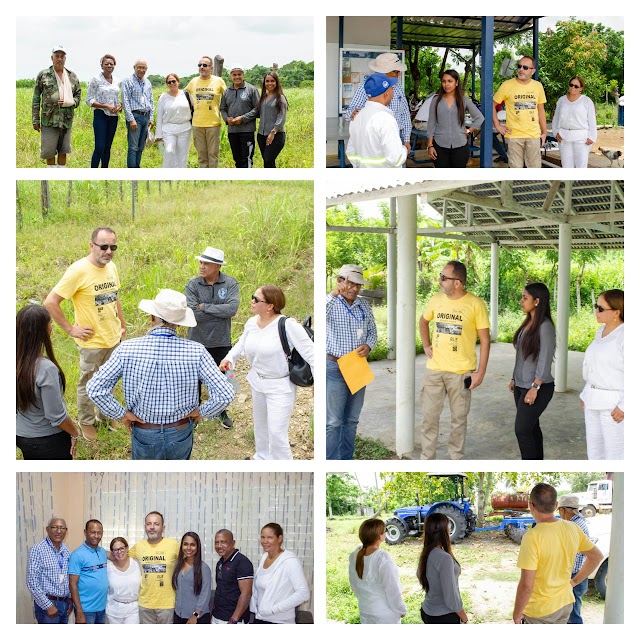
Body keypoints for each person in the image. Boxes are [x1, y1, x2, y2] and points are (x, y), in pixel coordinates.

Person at [86, 289, 235, 460]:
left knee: (146, 482)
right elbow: (225, 393)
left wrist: (122, 414)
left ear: (152, 318)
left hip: (144, 431)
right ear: (179, 323)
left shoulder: (126, 349)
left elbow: (95, 389)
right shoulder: (197, 351)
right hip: (180, 429)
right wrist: (201, 412)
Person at [44, 227, 126, 441]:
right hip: (92, 343)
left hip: (113, 338)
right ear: (92, 245)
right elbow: (51, 302)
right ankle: (86, 421)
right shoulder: (77, 271)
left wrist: (122, 326)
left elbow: (114, 298)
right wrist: (71, 329)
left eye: (113, 247)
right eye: (104, 246)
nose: (108, 251)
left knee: (109, 380)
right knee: (89, 383)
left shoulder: (112, 267)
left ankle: (105, 416)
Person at [220, 285, 314, 460]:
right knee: (261, 427)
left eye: (256, 299)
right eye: (252, 297)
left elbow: (311, 354)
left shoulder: (288, 326)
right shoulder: (251, 322)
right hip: (257, 382)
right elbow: (241, 345)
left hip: (280, 387)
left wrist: (319, 383)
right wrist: (229, 358)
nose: (252, 301)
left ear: (270, 305)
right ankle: (262, 458)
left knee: (277, 433)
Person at [419, 261, 490, 460]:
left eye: (443, 277)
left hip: (461, 373)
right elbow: (423, 321)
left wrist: (480, 372)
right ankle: (427, 460)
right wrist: (426, 344)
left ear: (457, 282)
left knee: (458, 420)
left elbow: (485, 341)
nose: (439, 280)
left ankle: (455, 459)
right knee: (429, 419)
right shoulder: (436, 299)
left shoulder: (476, 304)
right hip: (434, 371)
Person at [513, 483, 603, 624]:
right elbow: (596, 556)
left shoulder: (532, 537)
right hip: (565, 604)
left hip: (540, 611)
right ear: (556, 505)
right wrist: (574, 582)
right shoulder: (572, 528)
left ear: (531, 506)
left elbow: (526, 585)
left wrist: (517, 613)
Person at [326, 265, 377, 460]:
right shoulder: (330, 302)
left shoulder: (364, 305)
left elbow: (372, 331)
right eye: (350, 284)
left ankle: (346, 458)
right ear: (340, 281)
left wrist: (369, 345)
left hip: (357, 366)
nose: (355, 289)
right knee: (333, 421)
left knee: (352, 420)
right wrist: (334, 293)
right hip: (334, 367)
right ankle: (330, 460)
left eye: (358, 285)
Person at [185, 247, 239, 429]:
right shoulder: (192, 285)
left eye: (206, 263)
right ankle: (194, 413)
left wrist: (204, 307)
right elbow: (192, 314)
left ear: (217, 266)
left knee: (222, 377)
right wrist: (218, 311)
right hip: (196, 341)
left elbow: (232, 310)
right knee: (193, 380)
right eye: (200, 262)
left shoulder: (230, 283)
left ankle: (221, 410)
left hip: (221, 341)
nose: (201, 266)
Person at [16, 305, 80, 459]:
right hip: (48, 441)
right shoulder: (46, 369)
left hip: (21, 435)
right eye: (50, 323)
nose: (52, 328)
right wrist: (75, 433)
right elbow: (56, 416)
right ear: (42, 331)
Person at [509, 283, 556, 460]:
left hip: (538, 387)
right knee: (531, 427)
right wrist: (514, 378)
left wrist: (535, 387)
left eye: (525, 298)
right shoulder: (528, 323)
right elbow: (522, 357)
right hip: (521, 386)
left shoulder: (545, 327)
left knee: (521, 430)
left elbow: (544, 360)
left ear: (537, 301)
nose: (521, 301)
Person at [580, 289, 624, 459]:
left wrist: (625, 405)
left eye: (600, 308)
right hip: (592, 402)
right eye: (595, 306)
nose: (596, 311)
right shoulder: (601, 332)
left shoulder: (625, 336)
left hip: (614, 406)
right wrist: (585, 394)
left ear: (616, 312)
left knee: (615, 456)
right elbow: (593, 368)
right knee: (595, 454)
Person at [344, 52, 411, 153]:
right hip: (373, 139)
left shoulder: (398, 87)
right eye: (396, 72)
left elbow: (405, 113)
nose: (399, 74)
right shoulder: (366, 87)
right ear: (384, 72)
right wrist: (353, 113)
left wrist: (406, 139)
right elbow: (350, 111)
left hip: (397, 137)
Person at [348, 518, 406, 624]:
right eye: (385, 530)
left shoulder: (354, 555)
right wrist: (401, 609)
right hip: (384, 614)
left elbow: (354, 584)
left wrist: (365, 600)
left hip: (365, 609)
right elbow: (392, 588)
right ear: (380, 536)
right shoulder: (382, 558)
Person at [493, 56, 547, 168]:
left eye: (525, 67)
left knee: (534, 170)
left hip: (533, 135)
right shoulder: (507, 85)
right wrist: (498, 125)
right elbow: (491, 105)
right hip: (514, 136)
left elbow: (541, 110)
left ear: (533, 71)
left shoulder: (538, 86)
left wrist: (544, 132)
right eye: (519, 66)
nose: (521, 69)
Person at [250, 523, 310, 624]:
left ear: (279, 538)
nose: (265, 541)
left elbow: (303, 594)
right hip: (260, 618)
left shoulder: (290, 561)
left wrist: (273, 610)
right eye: (263, 537)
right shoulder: (265, 557)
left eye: (270, 537)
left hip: (280, 621)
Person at [32, 45, 81, 167]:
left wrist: (71, 102)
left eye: (62, 56)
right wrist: (35, 119)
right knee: (49, 152)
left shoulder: (72, 77)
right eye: (57, 56)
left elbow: (78, 96)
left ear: (65, 59)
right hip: (48, 120)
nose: (59, 59)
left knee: (63, 151)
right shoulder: (43, 75)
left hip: (66, 120)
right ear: (52, 58)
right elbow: (36, 98)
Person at [346, 73, 408, 168]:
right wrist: (404, 149)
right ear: (386, 93)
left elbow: (350, 151)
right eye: (392, 88)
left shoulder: (357, 117)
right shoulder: (385, 119)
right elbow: (396, 159)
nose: (393, 92)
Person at [128, 512, 180, 624]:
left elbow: (189, 561)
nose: (152, 527)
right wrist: (101, 553)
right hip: (145, 604)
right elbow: (120, 556)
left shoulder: (174, 545)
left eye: (156, 524)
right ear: (145, 527)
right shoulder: (139, 546)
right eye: (148, 524)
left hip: (166, 604)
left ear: (163, 527)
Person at [426, 69, 484, 168]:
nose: (446, 84)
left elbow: (480, 118)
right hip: (439, 146)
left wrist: (469, 131)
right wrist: (430, 145)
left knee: (457, 179)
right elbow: (431, 124)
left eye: (450, 81)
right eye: (444, 81)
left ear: (456, 83)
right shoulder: (436, 100)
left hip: (460, 147)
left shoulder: (463, 100)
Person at [417, 513, 468, 624]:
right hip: (443, 616)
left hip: (428, 611)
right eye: (448, 525)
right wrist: (463, 616)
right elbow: (451, 596)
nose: (450, 528)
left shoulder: (426, 553)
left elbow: (421, 577)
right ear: (443, 530)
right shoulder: (444, 558)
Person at [26, 517, 73, 624]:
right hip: (48, 604)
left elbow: (67, 577)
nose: (59, 531)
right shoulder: (37, 549)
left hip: (64, 603)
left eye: (62, 528)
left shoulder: (65, 550)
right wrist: (48, 606)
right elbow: (32, 582)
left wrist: (70, 599)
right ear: (47, 529)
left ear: (66, 531)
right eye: (55, 527)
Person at [185, 55, 226, 167]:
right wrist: (165, 96)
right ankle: (204, 179)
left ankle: (213, 180)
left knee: (213, 154)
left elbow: (228, 98)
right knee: (202, 155)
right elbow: (182, 95)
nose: (202, 67)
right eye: (200, 65)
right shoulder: (193, 81)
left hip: (213, 124)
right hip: (197, 124)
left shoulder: (219, 81)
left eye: (205, 65)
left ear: (211, 68)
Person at [557, 495, 591, 624]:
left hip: (574, 576)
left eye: (559, 510)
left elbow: (572, 556)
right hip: (580, 575)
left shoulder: (573, 526)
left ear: (564, 510)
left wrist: (572, 581)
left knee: (573, 616)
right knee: (572, 611)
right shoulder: (579, 522)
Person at [551, 76, 597, 168]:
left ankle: (580, 182)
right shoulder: (562, 100)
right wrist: (555, 132)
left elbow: (592, 120)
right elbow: (556, 118)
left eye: (576, 86)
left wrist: (592, 137)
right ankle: (568, 183)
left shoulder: (586, 101)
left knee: (581, 166)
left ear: (581, 88)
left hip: (581, 137)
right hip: (564, 136)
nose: (573, 87)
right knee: (566, 166)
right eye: (571, 85)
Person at [69, 519, 108, 624]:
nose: (96, 536)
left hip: (102, 608)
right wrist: (79, 610)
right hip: (86, 610)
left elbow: (118, 555)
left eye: (99, 533)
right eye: (93, 532)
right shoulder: (77, 555)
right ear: (85, 532)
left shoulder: (103, 552)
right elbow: (72, 584)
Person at [86, 54, 122, 168]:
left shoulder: (116, 80)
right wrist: (106, 106)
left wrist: (119, 105)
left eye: (111, 64)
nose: (109, 65)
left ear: (114, 66)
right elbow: (89, 100)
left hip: (114, 116)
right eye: (106, 64)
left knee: (107, 146)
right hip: (100, 114)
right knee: (100, 146)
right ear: (102, 65)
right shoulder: (96, 79)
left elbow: (117, 98)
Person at [212, 529, 254, 624]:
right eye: (216, 542)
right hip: (217, 617)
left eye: (223, 542)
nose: (219, 546)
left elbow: (246, 594)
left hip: (234, 620)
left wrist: (234, 619)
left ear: (233, 543)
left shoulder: (242, 562)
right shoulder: (220, 562)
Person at [220, 65, 259, 168]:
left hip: (247, 131)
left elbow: (257, 109)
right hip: (232, 131)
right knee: (237, 158)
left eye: (239, 74)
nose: (237, 77)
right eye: (234, 75)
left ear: (243, 75)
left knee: (247, 158)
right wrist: (227, 119)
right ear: (230, 76)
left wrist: (243, 118)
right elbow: (222, 109)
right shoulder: (226, 92)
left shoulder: (251, 89)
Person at [172, 532, 212, 624]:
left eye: (192, 545)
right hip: (179, 615)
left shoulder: (204, 568)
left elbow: (205, 595)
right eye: (185, 544)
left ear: (197, 547)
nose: (188, 548)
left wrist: (195, 615)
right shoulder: (178, 566)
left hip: (197, 618)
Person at [121, 59, 154, 168]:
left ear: (146, 69)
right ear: (134, 67)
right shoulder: (127, 81)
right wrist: (131, 120)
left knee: (141, 147)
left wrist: (151, 117)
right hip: (135, 117)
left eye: (143, 68)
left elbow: (151, 101)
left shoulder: (148, 82)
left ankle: (137, 169)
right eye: (139, 67)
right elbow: (125, 101)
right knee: (133, 147)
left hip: (146, 117)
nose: (141, 70)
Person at [155, 73, 192, 168]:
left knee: (182, 154)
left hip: (185, 128)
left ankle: (180, 177)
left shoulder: (186, 94)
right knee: (169, 151)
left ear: (178, 82)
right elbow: (159, 116)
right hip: (168, 129)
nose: (172, 83)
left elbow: (195, 109)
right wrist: (158, 134)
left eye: (173, 81)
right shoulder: (163, 97)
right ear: (167, 84)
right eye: (169, 82)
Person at [255, 71, 288, 167]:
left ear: (276, 82)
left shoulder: (280, 98)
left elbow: (281, 117)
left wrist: (273, 132)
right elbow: (257, 112)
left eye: (272, 81)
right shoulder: (263, 98)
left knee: (268, 159)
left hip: (276, 135)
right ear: (264, 83)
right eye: (267, 81)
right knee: (267, 162)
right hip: (261, 135)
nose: (270, 83)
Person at [106, 537, 140, 624]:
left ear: (127, 548)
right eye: (116, 550)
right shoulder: (108, 567)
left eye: (122, 548)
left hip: (133, 610)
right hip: (113, 611)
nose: (119, 552)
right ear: (112, 552)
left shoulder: (137, 564)